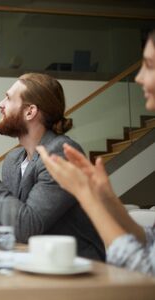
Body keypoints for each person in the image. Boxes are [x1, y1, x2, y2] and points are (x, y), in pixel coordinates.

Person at [37, 30, 155, 275]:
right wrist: (106, 198)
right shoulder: (16, 160)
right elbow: (148, 241)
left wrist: (85, 194)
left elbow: (144, 269)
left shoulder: (58, 147)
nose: (139, 78)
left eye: (150, 66)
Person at [0, 72, 105, 260]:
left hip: (75, 268)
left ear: (30, 111)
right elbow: (0, 221)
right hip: (30, 262)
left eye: (8, 98)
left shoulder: (60, 153)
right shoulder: (13, 159)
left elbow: (27, 227)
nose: (0, 104)